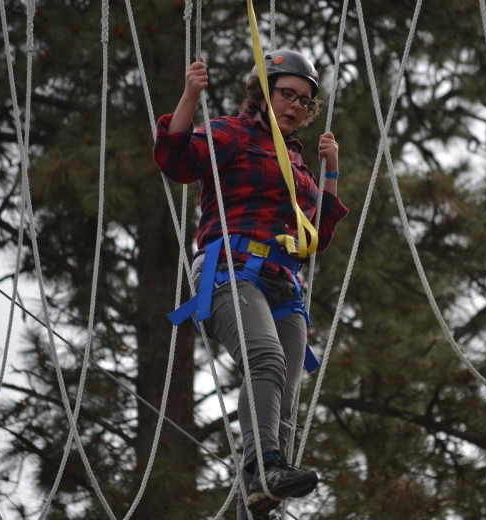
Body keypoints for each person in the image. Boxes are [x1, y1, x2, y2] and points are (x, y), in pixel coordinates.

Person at [153, 49, 349, 519]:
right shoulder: (232, 133)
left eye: (304, 101)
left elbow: (316, 238)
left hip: (283, 286)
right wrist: (189, 96)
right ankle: (266, 467)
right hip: (230, 270)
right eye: (287, 94)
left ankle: (258, 499)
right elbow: (175, 160)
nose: (295, 107)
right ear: (263, 93)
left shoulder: (299, 166)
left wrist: (332, 174)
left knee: (281, 406)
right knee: (265, 357)